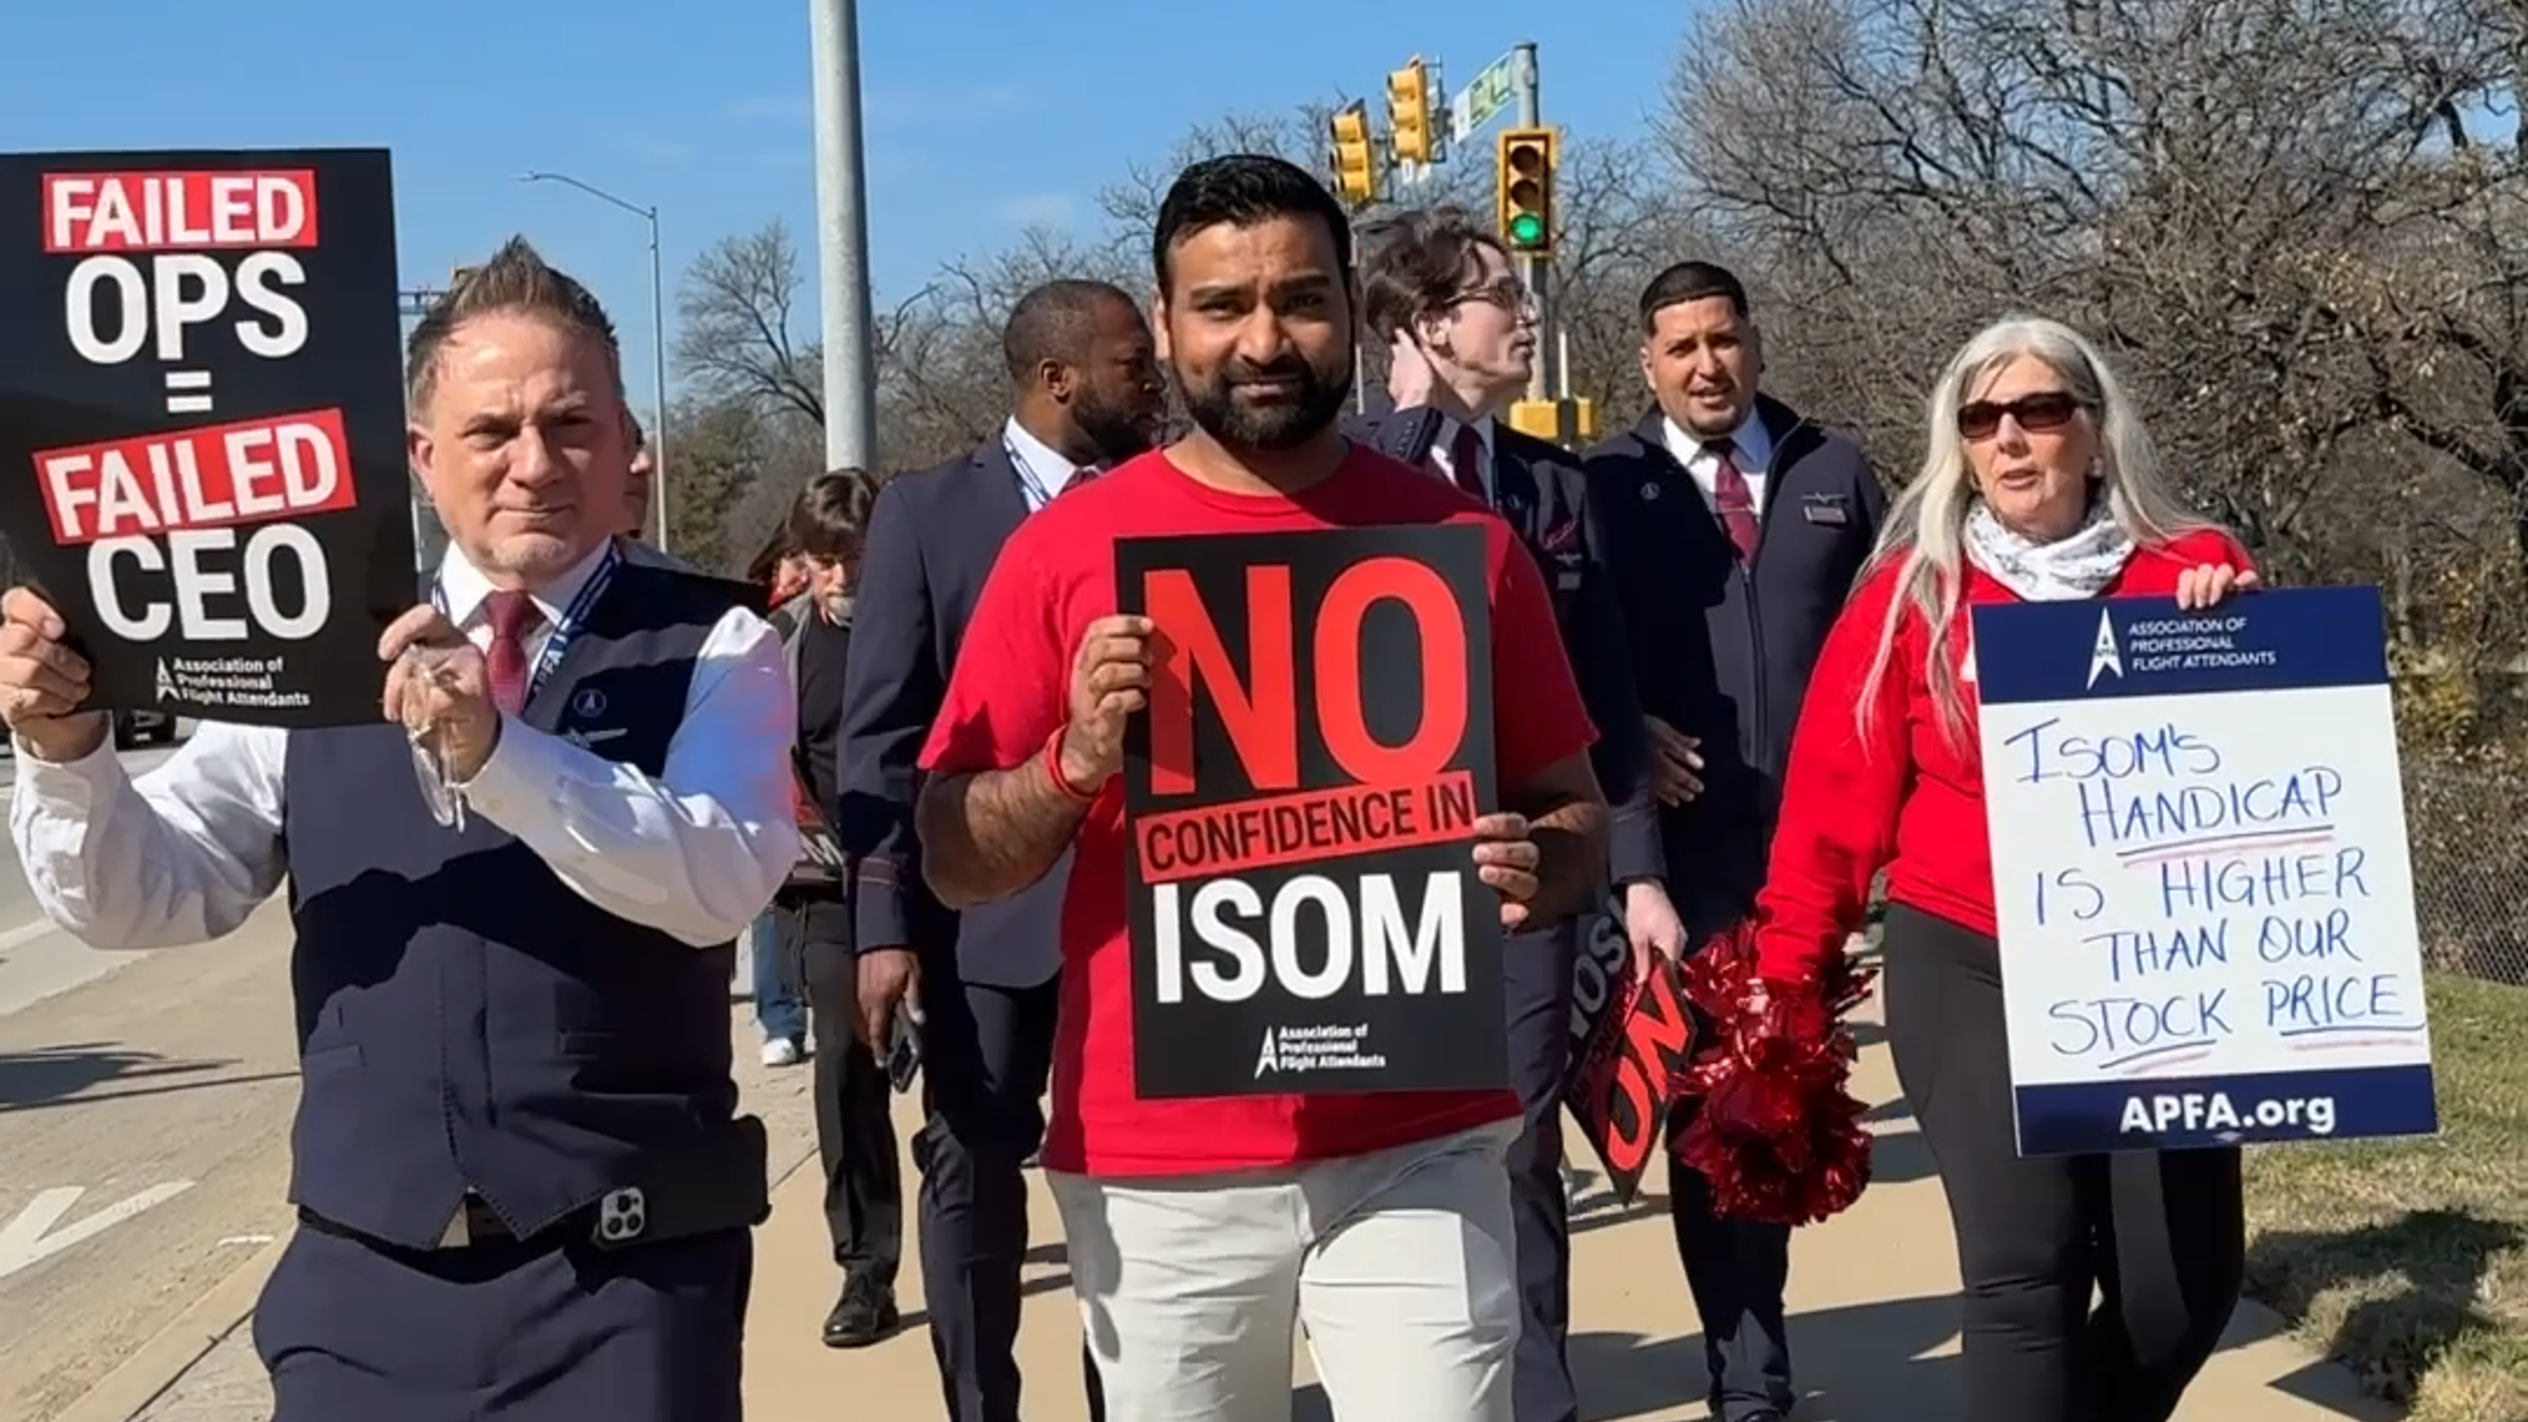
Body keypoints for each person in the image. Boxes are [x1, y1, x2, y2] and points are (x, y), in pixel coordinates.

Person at [0, 238, 798, 1420]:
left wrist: (501, 756)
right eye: (491, 432)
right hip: (364, 1290)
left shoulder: (717, 646)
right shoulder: (314, 647)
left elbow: (720, 876)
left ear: (625, 441)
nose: (533, 464)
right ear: (424, 458)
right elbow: (151, 896)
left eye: (570, 425)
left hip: (623, 1284)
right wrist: (68, 755)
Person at [911, 153, 1611, 1421]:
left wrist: (1533, 860)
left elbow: (1577, 817)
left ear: (1352, 309)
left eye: (1298, 298)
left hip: (1421, 1135)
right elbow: (955, 854)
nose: (1264, 338)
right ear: (1167, 322)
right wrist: (1070, 761)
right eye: (1223, 305)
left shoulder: (1462, 546)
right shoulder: (1064, 553)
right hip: (1157, 1163)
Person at [1749, 315, 2252, 1422]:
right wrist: (1789, 986)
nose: (2010, 440)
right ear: (1959, 446)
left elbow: (2271, 762)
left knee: (2183, 1285)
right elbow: (1830, 809)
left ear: (2093, 426)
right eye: (1981, 421)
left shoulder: (2186, 577)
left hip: (2154, 972)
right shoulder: (1908, 599)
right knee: (2022, 1269)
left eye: (2037, 411)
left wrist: (2234, 627)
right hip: (1966, 954)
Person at [1348, 205, 1680, 1422]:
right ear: (1429, 326)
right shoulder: (1346, 474)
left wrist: (1635, 875)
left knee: (1521, 1138)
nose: (1525, 311)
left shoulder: (1551, 481)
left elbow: (1605, 693)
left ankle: (1535, 1392)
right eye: (1498, 293)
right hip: (1372, 882)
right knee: (1388, 1149)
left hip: (1528, 868)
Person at [836, 277, 1164, 1421]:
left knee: (1133, 1193)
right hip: (986, 919)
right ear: (1058, 379)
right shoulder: (929, 514)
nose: (1155, 380)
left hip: (1148, 918)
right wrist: (882, 929)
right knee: (973, 1174)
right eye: (1134, 364)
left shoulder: (1168, 500)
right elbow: (880, 741)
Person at [1583, 260, 1887, 1421]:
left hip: (1823, 856)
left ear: (1752, 343)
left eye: (1723, 340)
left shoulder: (1832, 469)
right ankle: (1747, 1375)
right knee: (1720, 1109)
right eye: (1680, 348)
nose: (1706, 366)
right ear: (1648, 363)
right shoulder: (1604, 483)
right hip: (1688, 858)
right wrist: (1626, 751)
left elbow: (1909, 615)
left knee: (1802, 1104)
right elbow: (1572, 654)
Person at [766, 471, 907, 1348]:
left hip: (936, 876)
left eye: (855, 559)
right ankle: (866, 1269)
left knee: (975, 1085)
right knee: (846, 1066)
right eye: (824, 563)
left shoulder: (927, 630)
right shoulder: (780, 650)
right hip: (829, 889)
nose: (841, 580)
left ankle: (970, 1190)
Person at [740, 529, 814, 1065]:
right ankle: (780, 1019)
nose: (799, 572)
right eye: (792, 558)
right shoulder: (749, 624)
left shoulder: (821, 620)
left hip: (810, 778)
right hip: (765, 776)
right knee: (769, 904)